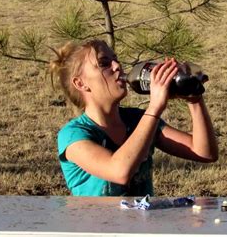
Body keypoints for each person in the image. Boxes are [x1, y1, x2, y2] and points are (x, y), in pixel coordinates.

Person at [50, 39, 218, 196]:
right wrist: (154, 107)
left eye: (116, 59)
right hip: (99, 227)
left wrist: (194, 98)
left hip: (142, 226)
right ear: (80, 83)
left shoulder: (137, 120)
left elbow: (204, 152)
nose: (117, 66)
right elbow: (119, 171)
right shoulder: (73, 136)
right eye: (104, 64)